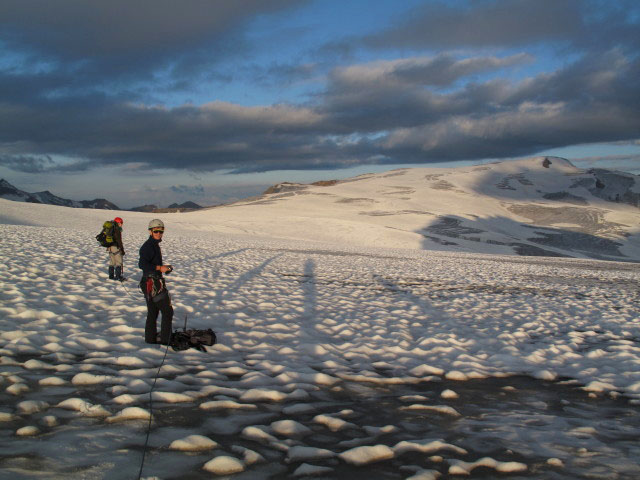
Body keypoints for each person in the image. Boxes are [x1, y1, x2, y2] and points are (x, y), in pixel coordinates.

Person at [138, 219, 173, 345]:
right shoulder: (148, 246)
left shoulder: (153, 245)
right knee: (167, 311)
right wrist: (159, 268)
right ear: (150, 231)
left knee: (153, 312)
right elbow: (142, 264)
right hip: (153, 283)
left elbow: (149, 264)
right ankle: (165, 341)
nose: (159, 233)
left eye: (161, 231)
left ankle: (150, 339)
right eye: (156, 231)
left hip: (149, 282)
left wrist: (163, 267)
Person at [108, 217, 125, 281]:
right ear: (118, 223)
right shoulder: (117, 229)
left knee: (112, 262)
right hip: (116, 247)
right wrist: (122, 250)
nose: (121, 224)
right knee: (119, 262)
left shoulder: (111, 228)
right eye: (121, 223)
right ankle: (118, 276)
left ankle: (111, 276)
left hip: (110, 247)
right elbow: (119, 241)